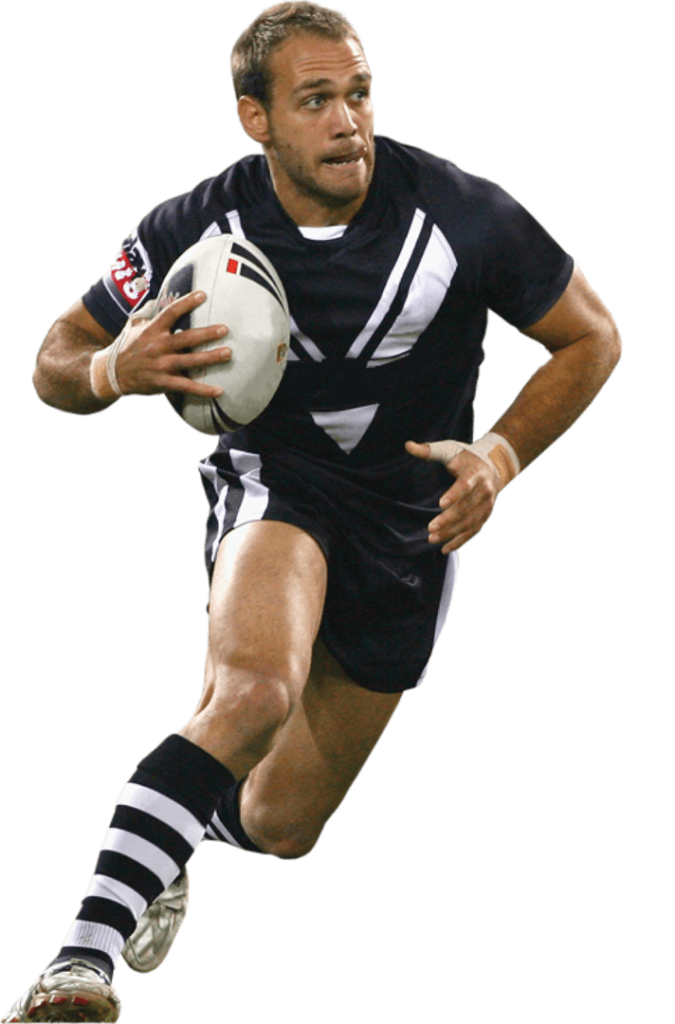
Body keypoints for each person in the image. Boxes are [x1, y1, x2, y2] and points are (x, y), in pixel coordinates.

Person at [5, 2, 621, 1021]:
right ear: (255, 118)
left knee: (284, 825)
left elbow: (591, 337)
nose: (348, 121)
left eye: (361, 93)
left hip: (415, 519)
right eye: (316, 100)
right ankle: (79, 960)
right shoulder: (193, 225)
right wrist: (115, 367)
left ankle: (180, 833)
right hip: (279, 481)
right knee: (251, 694)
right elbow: (54, 361)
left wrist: (500, 456)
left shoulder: (463, 212)